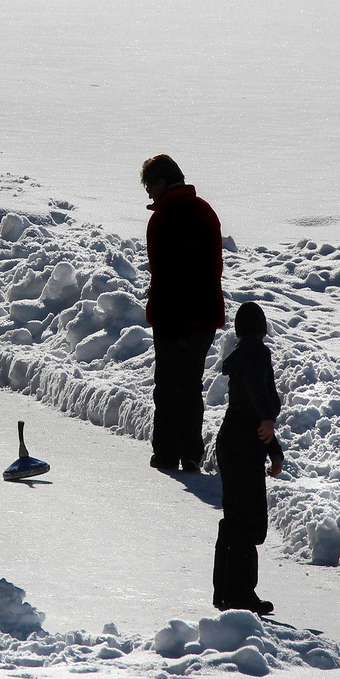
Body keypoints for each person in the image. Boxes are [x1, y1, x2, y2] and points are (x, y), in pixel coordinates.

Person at [141, 154, 225, 473]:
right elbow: (214, 268)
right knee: (190, 384)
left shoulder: (162, 217)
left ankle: (165, 453)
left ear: (162, 182)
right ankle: (190, 453)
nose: (149, 193)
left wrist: (166, 312)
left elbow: (161, 273)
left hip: (171, 316)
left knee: (167, 384)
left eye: (150, 185)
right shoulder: (205, 211)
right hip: (204, 314)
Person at [213, 301, 282, 615]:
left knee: (235, 518)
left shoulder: (243, 355)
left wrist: (273, 448)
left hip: (234, 442)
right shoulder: (257, 353)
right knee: (248, 523)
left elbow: (250, 411)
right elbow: (258, 397)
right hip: (242, 447)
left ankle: (225, 591)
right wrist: (269, 416)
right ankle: (241, 594)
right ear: (263, 329)